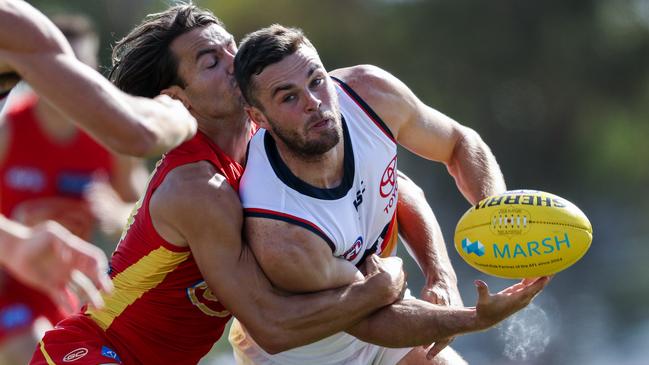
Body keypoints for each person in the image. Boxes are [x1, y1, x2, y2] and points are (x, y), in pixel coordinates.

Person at [31, 4, 544, 365]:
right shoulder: (197, 188)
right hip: (97, 350)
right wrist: (380, 289)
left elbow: (395, 187)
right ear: (179, 98)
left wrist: (440, 271)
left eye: (230, 47)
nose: (235, 62)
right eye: (211, 62)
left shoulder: (272, 130)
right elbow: (272, 326)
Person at [228, 24, 550, 365]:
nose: (314, 102)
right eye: (289, 97)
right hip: (308, 354)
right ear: (257, 117)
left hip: (387, 317)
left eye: (317, 80)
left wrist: (492, 220)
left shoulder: (369, 94)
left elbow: (455, 146)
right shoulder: (279, 229)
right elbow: (370, 318)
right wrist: (476, 319)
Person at [0, 13, 147, 365]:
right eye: (65, 70)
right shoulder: (8, 129)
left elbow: (144, 207)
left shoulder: (110, 135)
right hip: (11, 282)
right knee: (30, 350)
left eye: (84, 69)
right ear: (37, 72)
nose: (75, 83)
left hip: (75, 284)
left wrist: (119, 214)